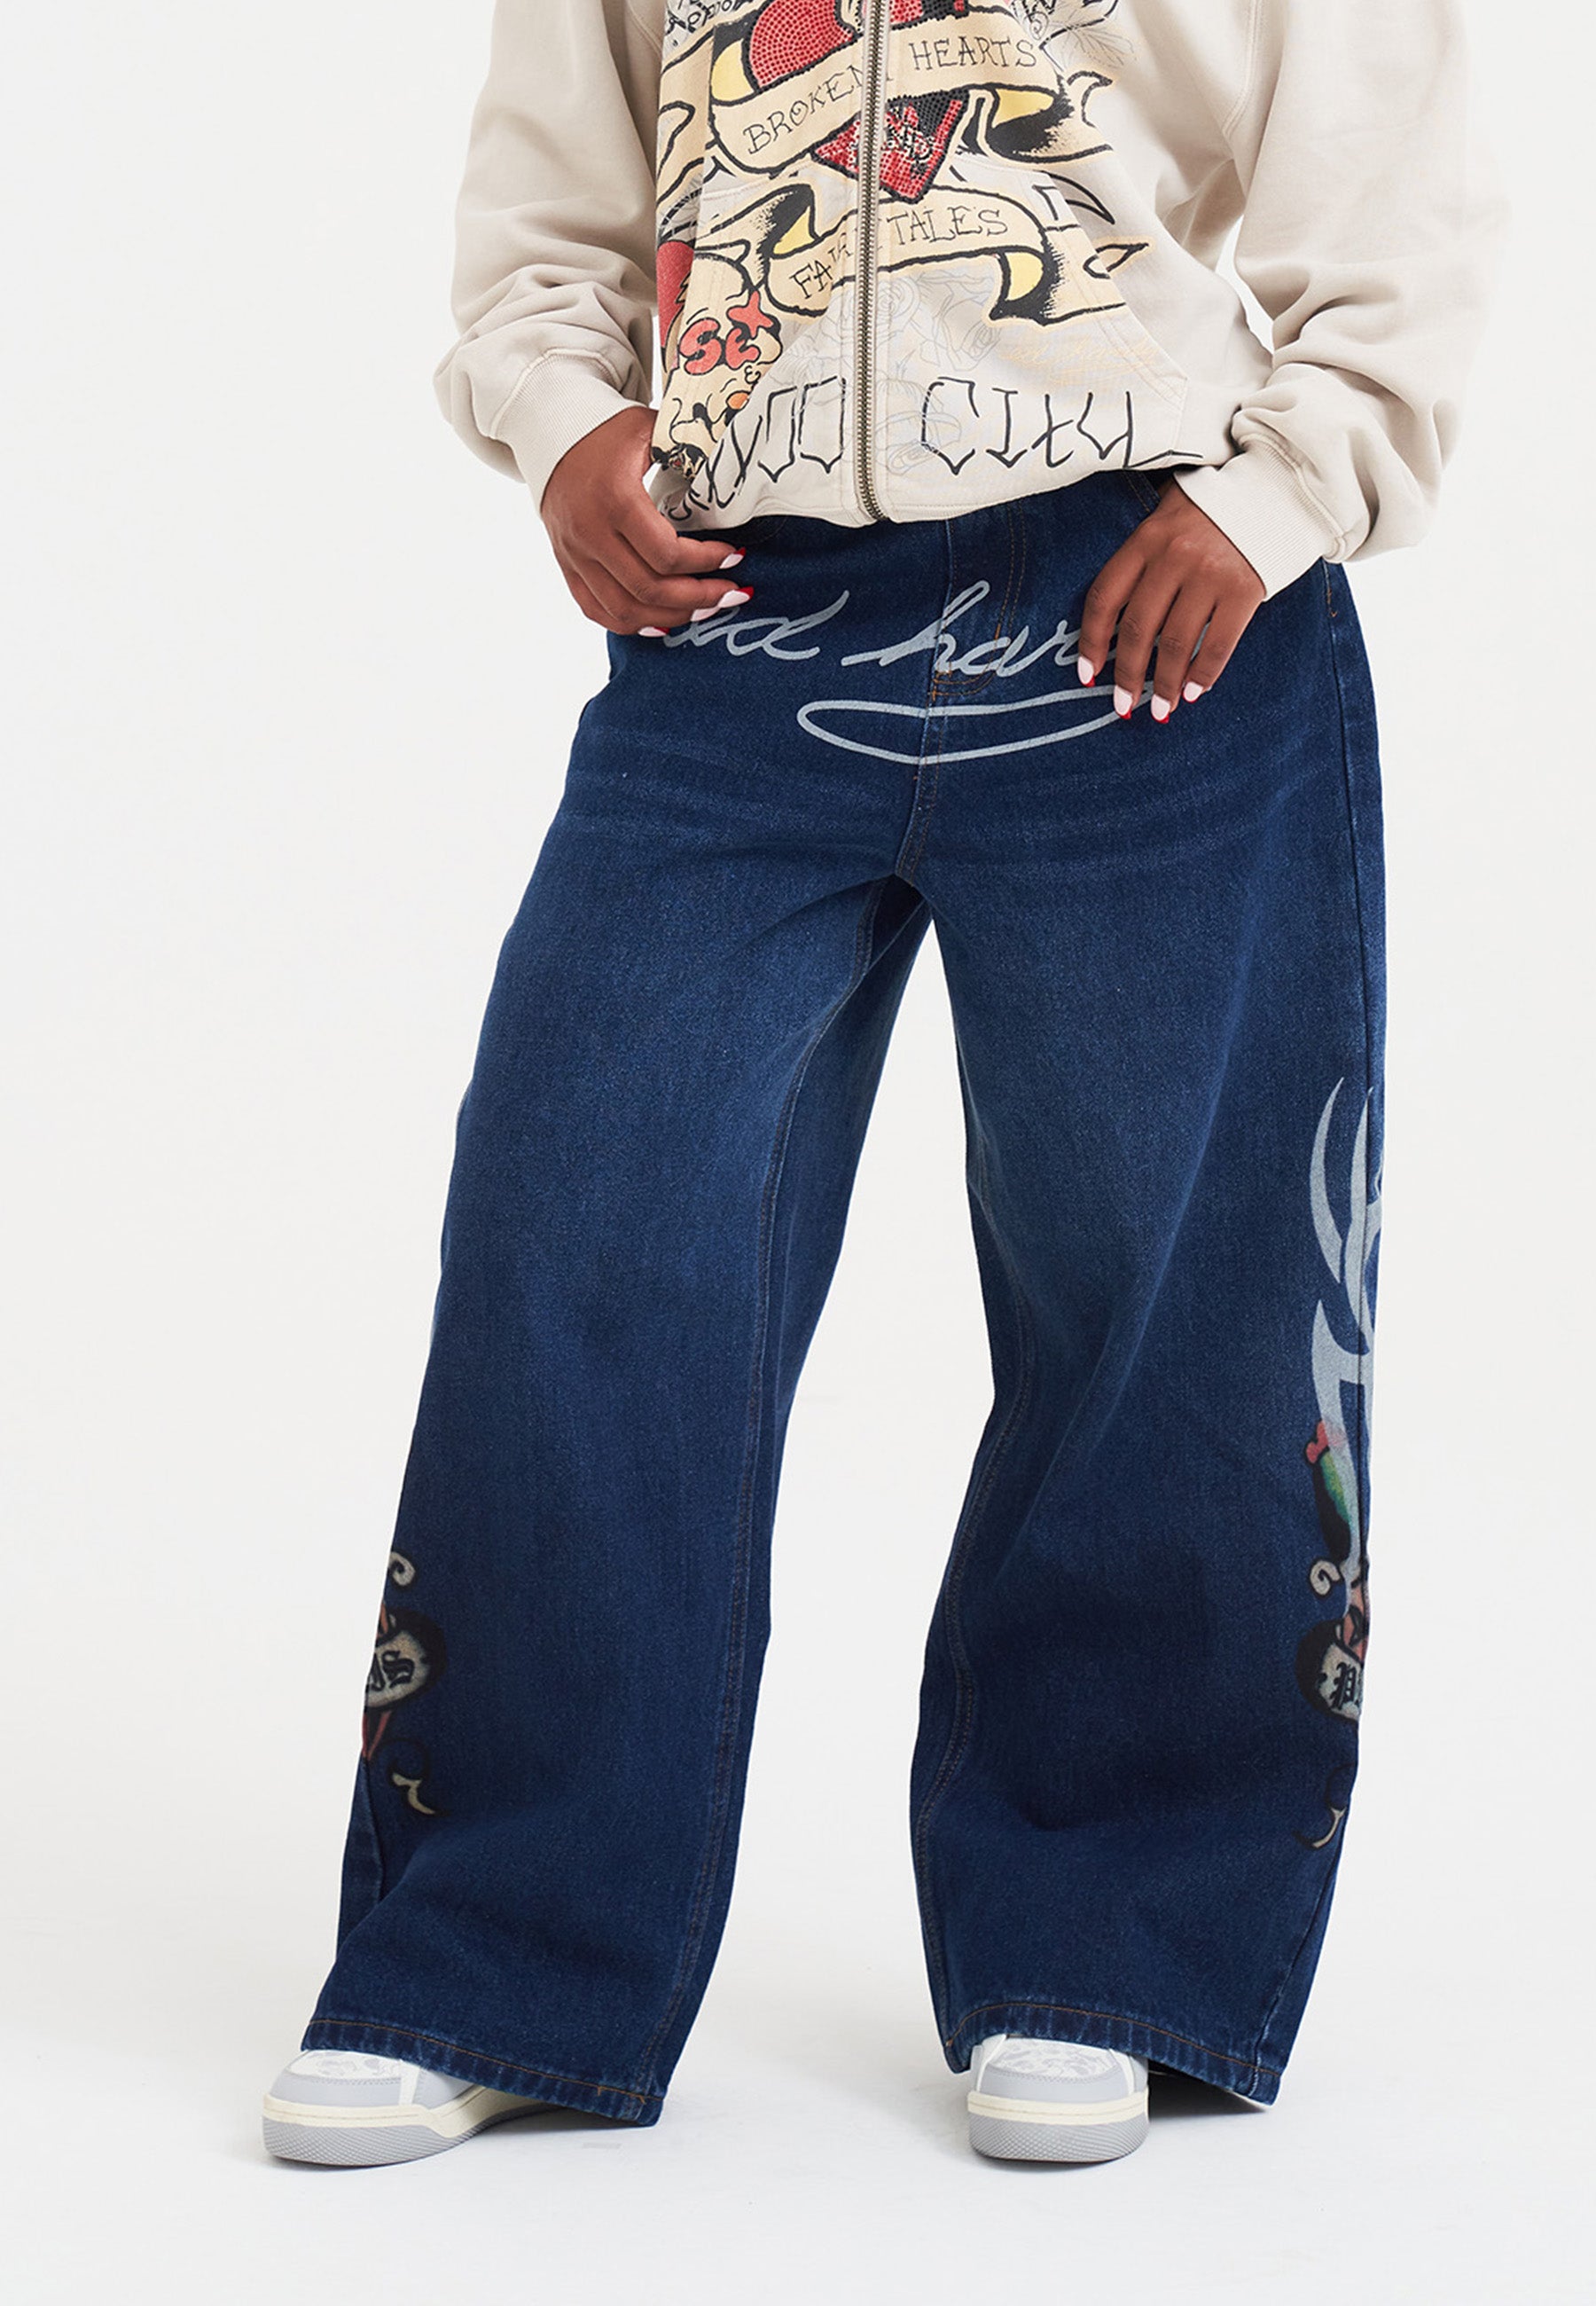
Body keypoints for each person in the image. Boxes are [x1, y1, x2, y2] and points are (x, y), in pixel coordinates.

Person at [262, 0, 1503, 2169]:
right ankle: (501, 1953)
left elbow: (1391, 176)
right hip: (737, 616)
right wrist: (565, 424)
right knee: (585, 1229)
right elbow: (556, 186)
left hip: (1154, 600)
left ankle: (1111, 1939)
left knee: (1170, 1284)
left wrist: (1281, 492)